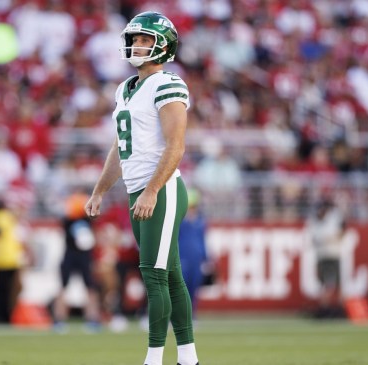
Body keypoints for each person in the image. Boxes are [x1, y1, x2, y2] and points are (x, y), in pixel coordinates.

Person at [85, 11, 199, 365]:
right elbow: (121, 148)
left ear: (163, 46)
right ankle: (188, 358)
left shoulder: (168, 83)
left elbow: (176, 146)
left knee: (153, 275)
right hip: (140, 190)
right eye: (135, 39)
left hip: (160, 189)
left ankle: (153, 359)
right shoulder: (125, 88)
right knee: (171, 275)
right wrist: (100, 190)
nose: (137, 45)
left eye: (145, 39)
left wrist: (152, 190)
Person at [53, 191, 101, 332]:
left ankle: (93, 318)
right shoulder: (68, 221)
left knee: (90, 287)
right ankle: (59, 319)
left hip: (83, 256)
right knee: (64, 287)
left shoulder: (87, 221)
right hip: (71, 255)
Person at [305, 198, 346, 319]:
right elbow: (313, 238)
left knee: (337, 284)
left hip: (333, 254)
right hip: (322, 255)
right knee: (325, 284)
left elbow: (342, 231)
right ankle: (325, 308)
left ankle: (340, 309)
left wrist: (331, 239)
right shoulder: (314, 221)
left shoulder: (334, 218)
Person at [177, 189, 212, 320]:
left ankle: (191, 316)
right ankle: (176, 317)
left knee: (194, 287)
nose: (191, 210)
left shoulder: (200, 222)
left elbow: (202, 241)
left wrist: (206, 259)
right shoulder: (179, 222)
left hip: (196, 260)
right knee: (181, 288)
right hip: (182, 258)